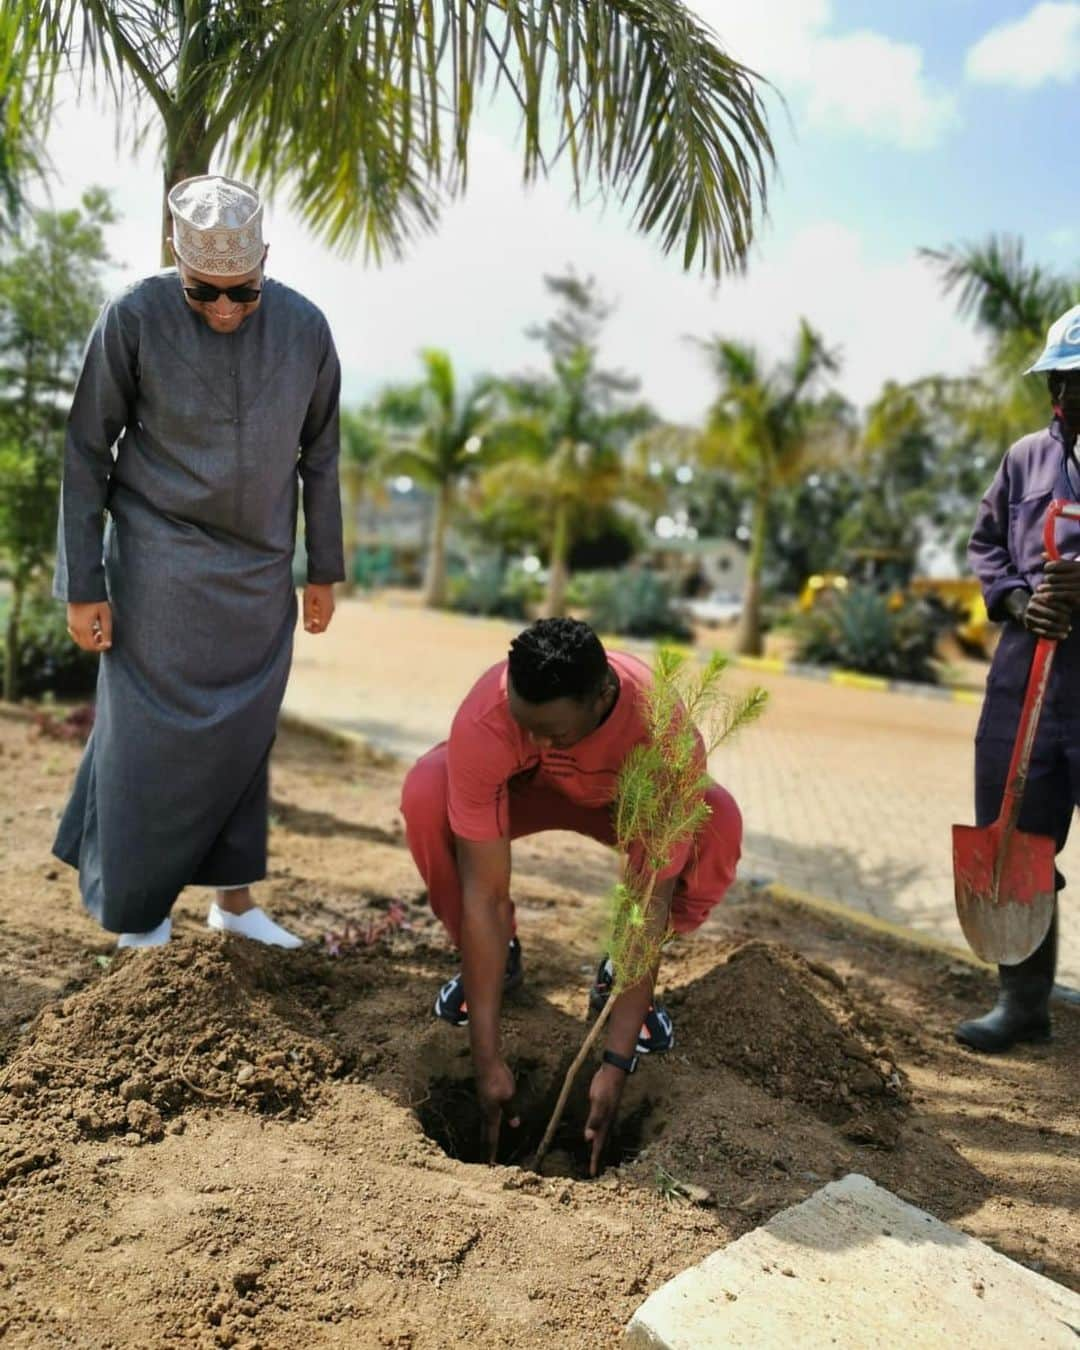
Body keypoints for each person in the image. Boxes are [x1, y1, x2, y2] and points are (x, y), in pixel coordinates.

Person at [53, 174, 344, 949]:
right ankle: (138, 914)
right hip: (157, 561)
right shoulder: (133, 315)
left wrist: (323, 569)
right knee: (146, 741)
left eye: (241, 293)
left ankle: (235, 904)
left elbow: (321, 455)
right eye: (203, 291)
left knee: (243, 739)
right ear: (174, 262)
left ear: (266, 265)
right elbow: (87, 451)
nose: (222, 308)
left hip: (259, 574)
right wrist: (83, 584)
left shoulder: (307, 328)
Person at [400, 618, 742, 1167]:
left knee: (718, 823)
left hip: (620, 806)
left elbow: (646, 902)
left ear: (602, 696)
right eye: (523, 723)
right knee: (426, 790)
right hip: (525, 795)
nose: (534, 740)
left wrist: (615, 1061)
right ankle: (492, 963)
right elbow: (484, 895)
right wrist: (487, 1061)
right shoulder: (487, 719)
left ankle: (620, 980)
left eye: (552, 731)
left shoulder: (663, 737)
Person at [957, 302, 1080, 1051]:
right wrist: (1013, 599)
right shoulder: (1026, 457)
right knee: (1020, 838)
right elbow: (986, 544)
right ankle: (1024, 1003)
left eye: (1078, 379)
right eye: (1059, 379)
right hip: (1025, 680)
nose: (1065, 396)